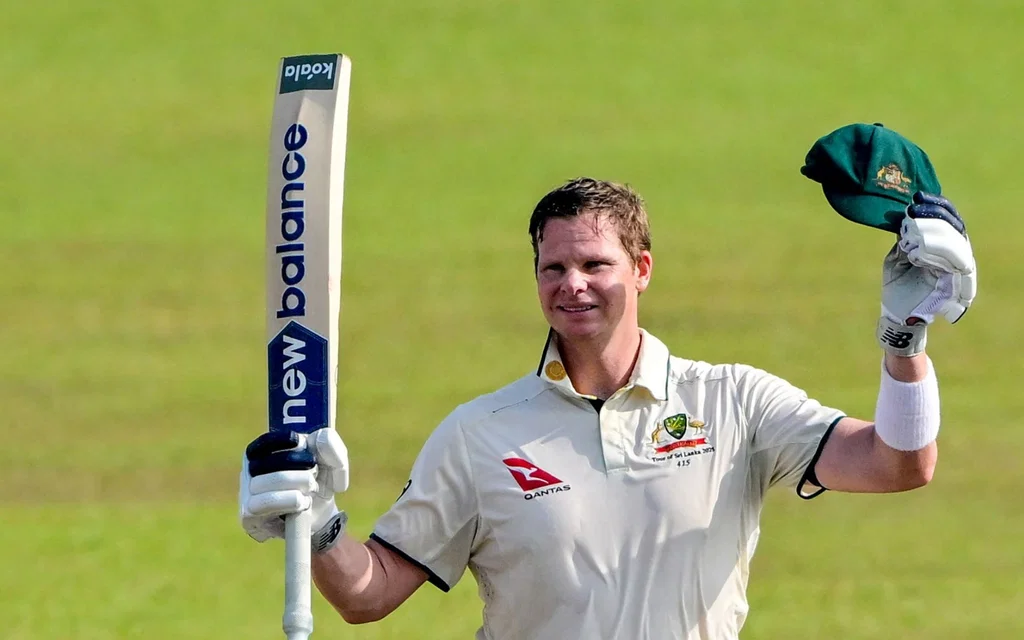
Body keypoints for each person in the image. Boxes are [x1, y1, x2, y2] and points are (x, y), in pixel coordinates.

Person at [239, 172, 976, 638]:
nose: (573, 284)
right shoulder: (480, 435)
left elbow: (896, 463)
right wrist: (318, 525)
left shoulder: (731, 400)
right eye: (553, 267)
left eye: (596, 264)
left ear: (642, 270)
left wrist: (903, 343)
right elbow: (368, 596)